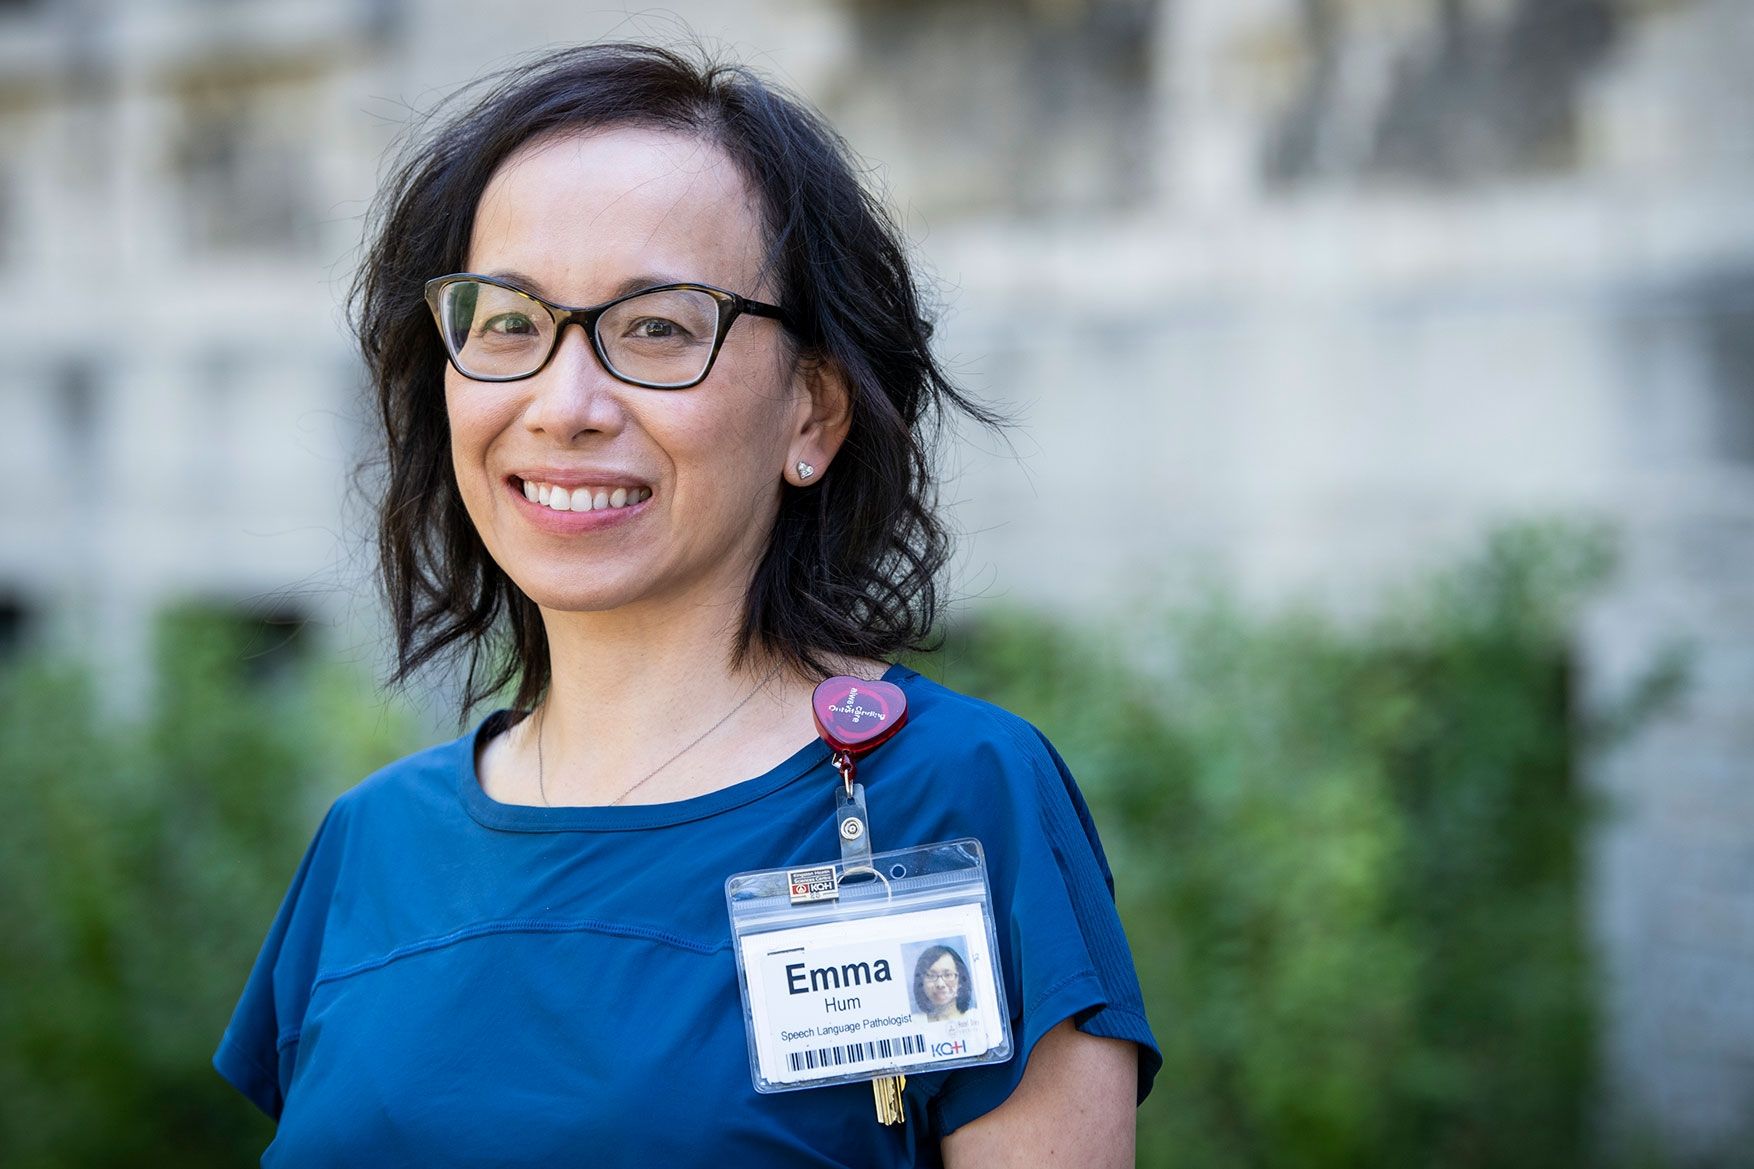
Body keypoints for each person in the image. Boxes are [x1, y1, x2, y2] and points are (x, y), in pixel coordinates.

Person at [213, 41, 1159, 1168]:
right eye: (507, 320)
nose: (564, 405)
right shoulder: (372, 843)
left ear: (812, 412)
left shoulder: (956, 799)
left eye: (657, 325)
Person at [913, 945, 974, 1022]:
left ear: (961, 980)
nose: (940, 984)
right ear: (921, 983)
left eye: (948, 975)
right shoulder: (914, 1023)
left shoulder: (975, 1017)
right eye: (931, 976)